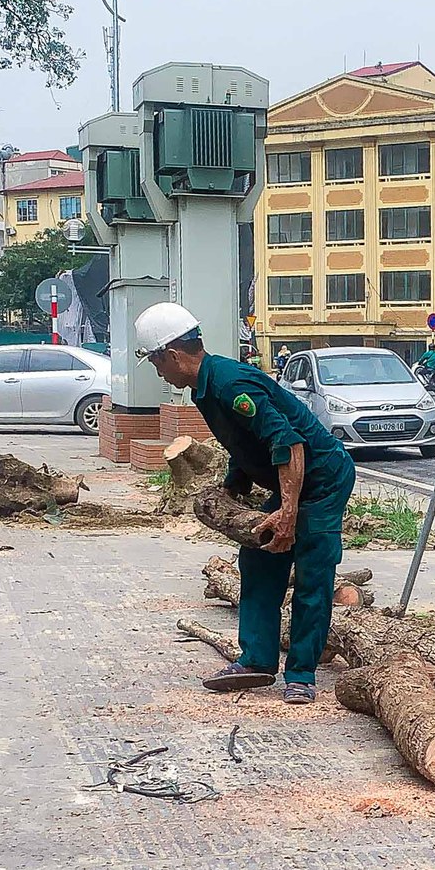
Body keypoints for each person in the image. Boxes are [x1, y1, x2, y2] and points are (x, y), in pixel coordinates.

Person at [135, 302, 356, 705]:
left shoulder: (229, 384)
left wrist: (288, 515)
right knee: (258, 559)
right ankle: (256, 659)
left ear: (172, 354)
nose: (156, 370)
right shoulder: (204, 387)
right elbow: (244, 443)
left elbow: (288, 444)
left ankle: (302, 675)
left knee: (311, 572)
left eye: (154, 361)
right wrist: (232, 489)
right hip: (291, 476)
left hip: (321, 477)